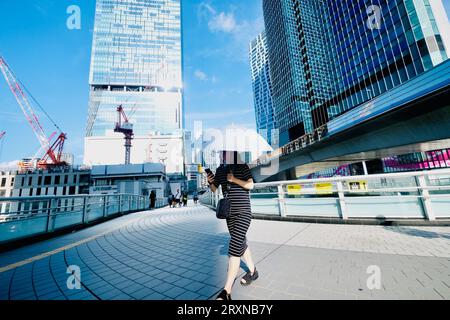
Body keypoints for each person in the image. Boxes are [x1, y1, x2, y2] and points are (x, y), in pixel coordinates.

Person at [207, 150, 259, 301]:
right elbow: (214, 189)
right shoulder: (219, 169)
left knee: (234, 248)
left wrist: (234, 179)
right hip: (229, 214)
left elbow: (251, 185)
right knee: (240, 243)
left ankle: (226, 292)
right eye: (221, 153)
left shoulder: (241, 166)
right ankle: (253, 271)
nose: (222, 155)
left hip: (243, 213)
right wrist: (210, 180)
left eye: (225, 152)